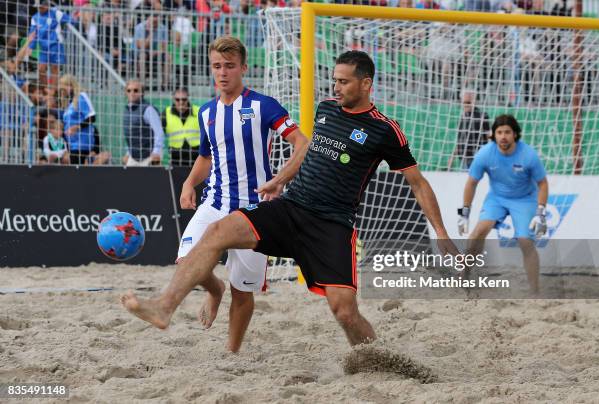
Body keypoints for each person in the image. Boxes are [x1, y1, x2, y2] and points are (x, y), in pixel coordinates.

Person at [121, 50, 458, 347]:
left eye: (343, 82)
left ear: (366, 84)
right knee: (217, 232)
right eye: (334, 80)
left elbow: (417, 183)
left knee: (345, 312)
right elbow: (312, 156)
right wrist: (280, 180)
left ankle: (375, 357)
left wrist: (441, 233)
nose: (335, 88)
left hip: (331, 226)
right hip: (290, 208)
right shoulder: (326, 109)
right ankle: (164, 307)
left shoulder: (385, 129)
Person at [176, 36, 308, 353]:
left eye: (230, 66)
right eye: (217, 66)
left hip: (254, 211)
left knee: (243, 292)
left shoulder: (263, 106)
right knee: (186, 264)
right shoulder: (206, 112)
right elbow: (207, 156)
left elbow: (302, 143)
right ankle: (213, 289)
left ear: (243, 68)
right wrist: (188, 183)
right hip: (215, 203)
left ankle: (231, 353)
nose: (223, 73)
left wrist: (280, 179)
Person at [457, 114, 548, 294]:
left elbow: (543, 183)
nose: (503, 136)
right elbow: (471, 183)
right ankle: (464, 276)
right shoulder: (485, 153)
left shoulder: (528, 154)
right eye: (499, 132)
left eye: (507, 132)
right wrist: (464, 213)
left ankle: (535, 293)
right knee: (477, 232)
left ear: (515, 134)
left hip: (524, 199)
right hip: (497, 198)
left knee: (525, 241)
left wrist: (540, 213)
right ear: (493, 135)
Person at [17, 0, 76, 88]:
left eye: (42, 6)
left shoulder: (56, 13)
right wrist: (30, 47)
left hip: (56, 46)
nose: (40, 8)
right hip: (43, 48)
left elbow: (72, 21)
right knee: (41, 69)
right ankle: (45, 89)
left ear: (47, 5)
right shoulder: (35, 18)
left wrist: (68, 27)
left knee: (54, 70)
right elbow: (33, 34)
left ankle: (52, 92)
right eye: (39, 6)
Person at [58, 74, 110, 165]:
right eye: (61, 89)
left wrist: (77, 127)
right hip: (72, 146)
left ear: (71, 85)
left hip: (83, 145)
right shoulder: (68, 104)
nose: (63, 91)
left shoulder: (81, 96)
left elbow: (92, 117)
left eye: (65, 87)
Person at [122, 79, 165, 166]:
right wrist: (128, 153)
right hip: (133, 156)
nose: (132, 93)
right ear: (125, 93)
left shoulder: (148, 109)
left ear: (142, 93)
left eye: (136, 90)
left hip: (149, 156)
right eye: (129, 90)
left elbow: (159, 132)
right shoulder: (127, 110)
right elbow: (130, 135)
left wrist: (156, 152)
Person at [448, 89, 490, 170]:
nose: (466, 105)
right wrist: (452, 157)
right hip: (464, 159)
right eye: (464, 102)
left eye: (468, 102)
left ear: (474, 101)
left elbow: (489, 137)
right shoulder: (462, 117)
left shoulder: (482, 116)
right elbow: (460, 141)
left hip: (477, 158)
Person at [162, 87, 200, 167]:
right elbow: (158, 134)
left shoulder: (198, 111)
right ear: (173, 99)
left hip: (196, 158)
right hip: (175, 158)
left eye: (184, 99)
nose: (181, 102)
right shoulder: (166, 113)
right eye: (177, 99)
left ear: (188, 99)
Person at [133, 14, 169, 89]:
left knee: (167, 57)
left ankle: (165, 85)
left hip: (155, 52)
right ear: (148, 20)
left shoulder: (163, 28)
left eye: (156, 23)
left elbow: (164, 47)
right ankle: (142, 85)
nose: (155, 25)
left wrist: (156, 52)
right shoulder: (139, 27)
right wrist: (151, 33)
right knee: (143, 55)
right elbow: (141, 46)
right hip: (140, 52)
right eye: (153, 22)